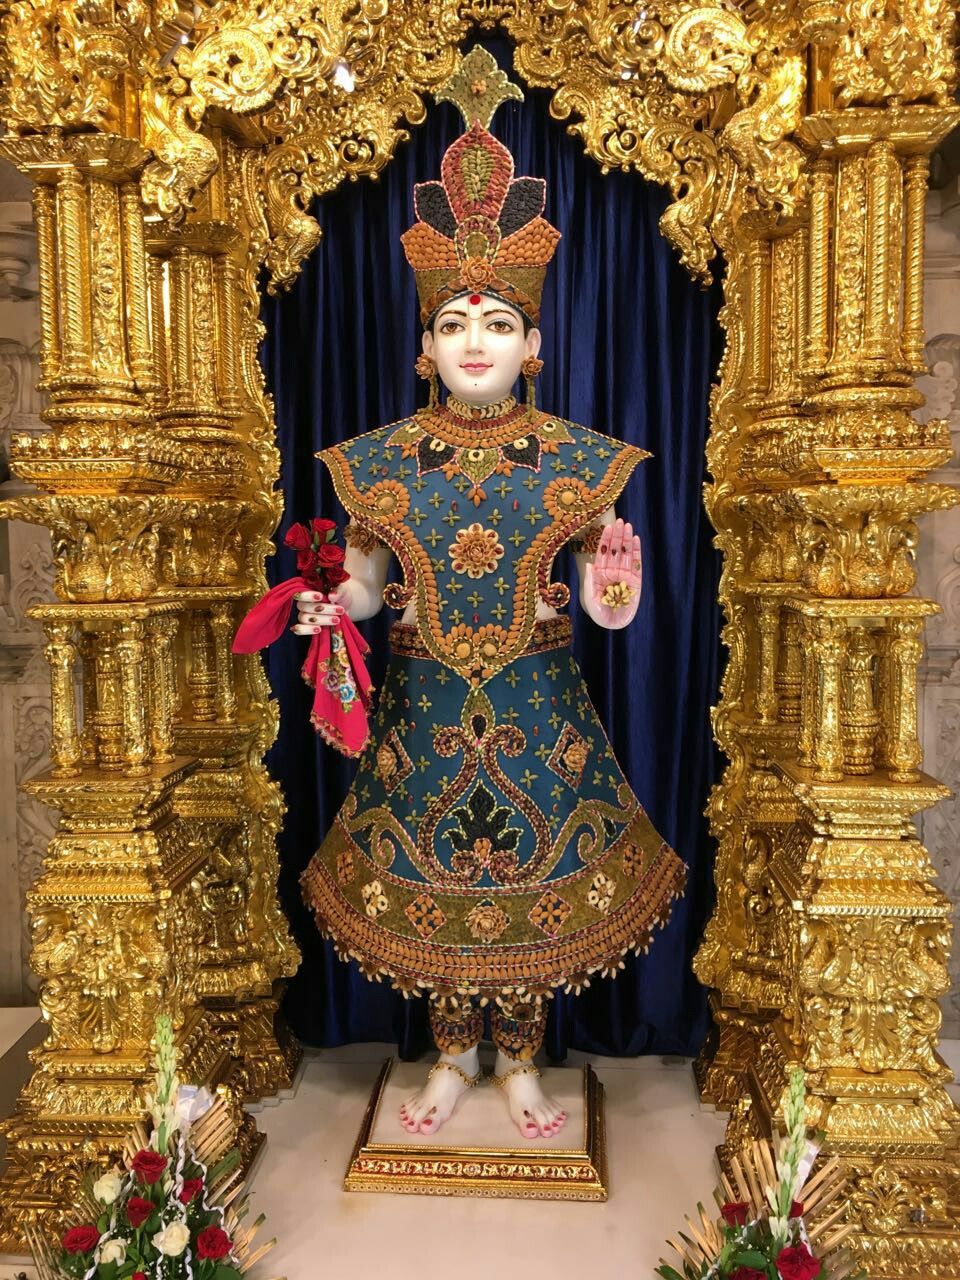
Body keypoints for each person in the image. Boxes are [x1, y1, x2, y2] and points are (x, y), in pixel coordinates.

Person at [294, 48, 684, 1141]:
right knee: (436, 888)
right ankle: (451, 1055)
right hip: (424, 709)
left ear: (535, 344)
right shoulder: (381, 463)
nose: (476, 342)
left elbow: (609, 611)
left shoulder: (577, 460)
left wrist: (615, 580)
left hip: (538, 711)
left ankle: (521, 1061)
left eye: (498, 325)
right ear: (426, 346)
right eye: (457, 325)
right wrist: (341, 604)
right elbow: (372, 580)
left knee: (529, 884)